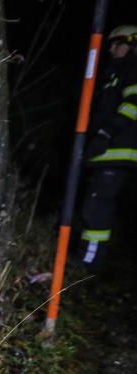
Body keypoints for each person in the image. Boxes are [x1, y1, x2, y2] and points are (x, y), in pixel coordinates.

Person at [79, 25, 137, 269]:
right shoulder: (115, 72)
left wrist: (105, 133)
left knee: (97, 208)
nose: (112, 48)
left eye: (119, 43)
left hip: (117, 150)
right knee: (94, 206)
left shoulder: (132, 69)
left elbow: (133, 104)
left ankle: (89, 263)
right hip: (106, 152)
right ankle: (89, 260)